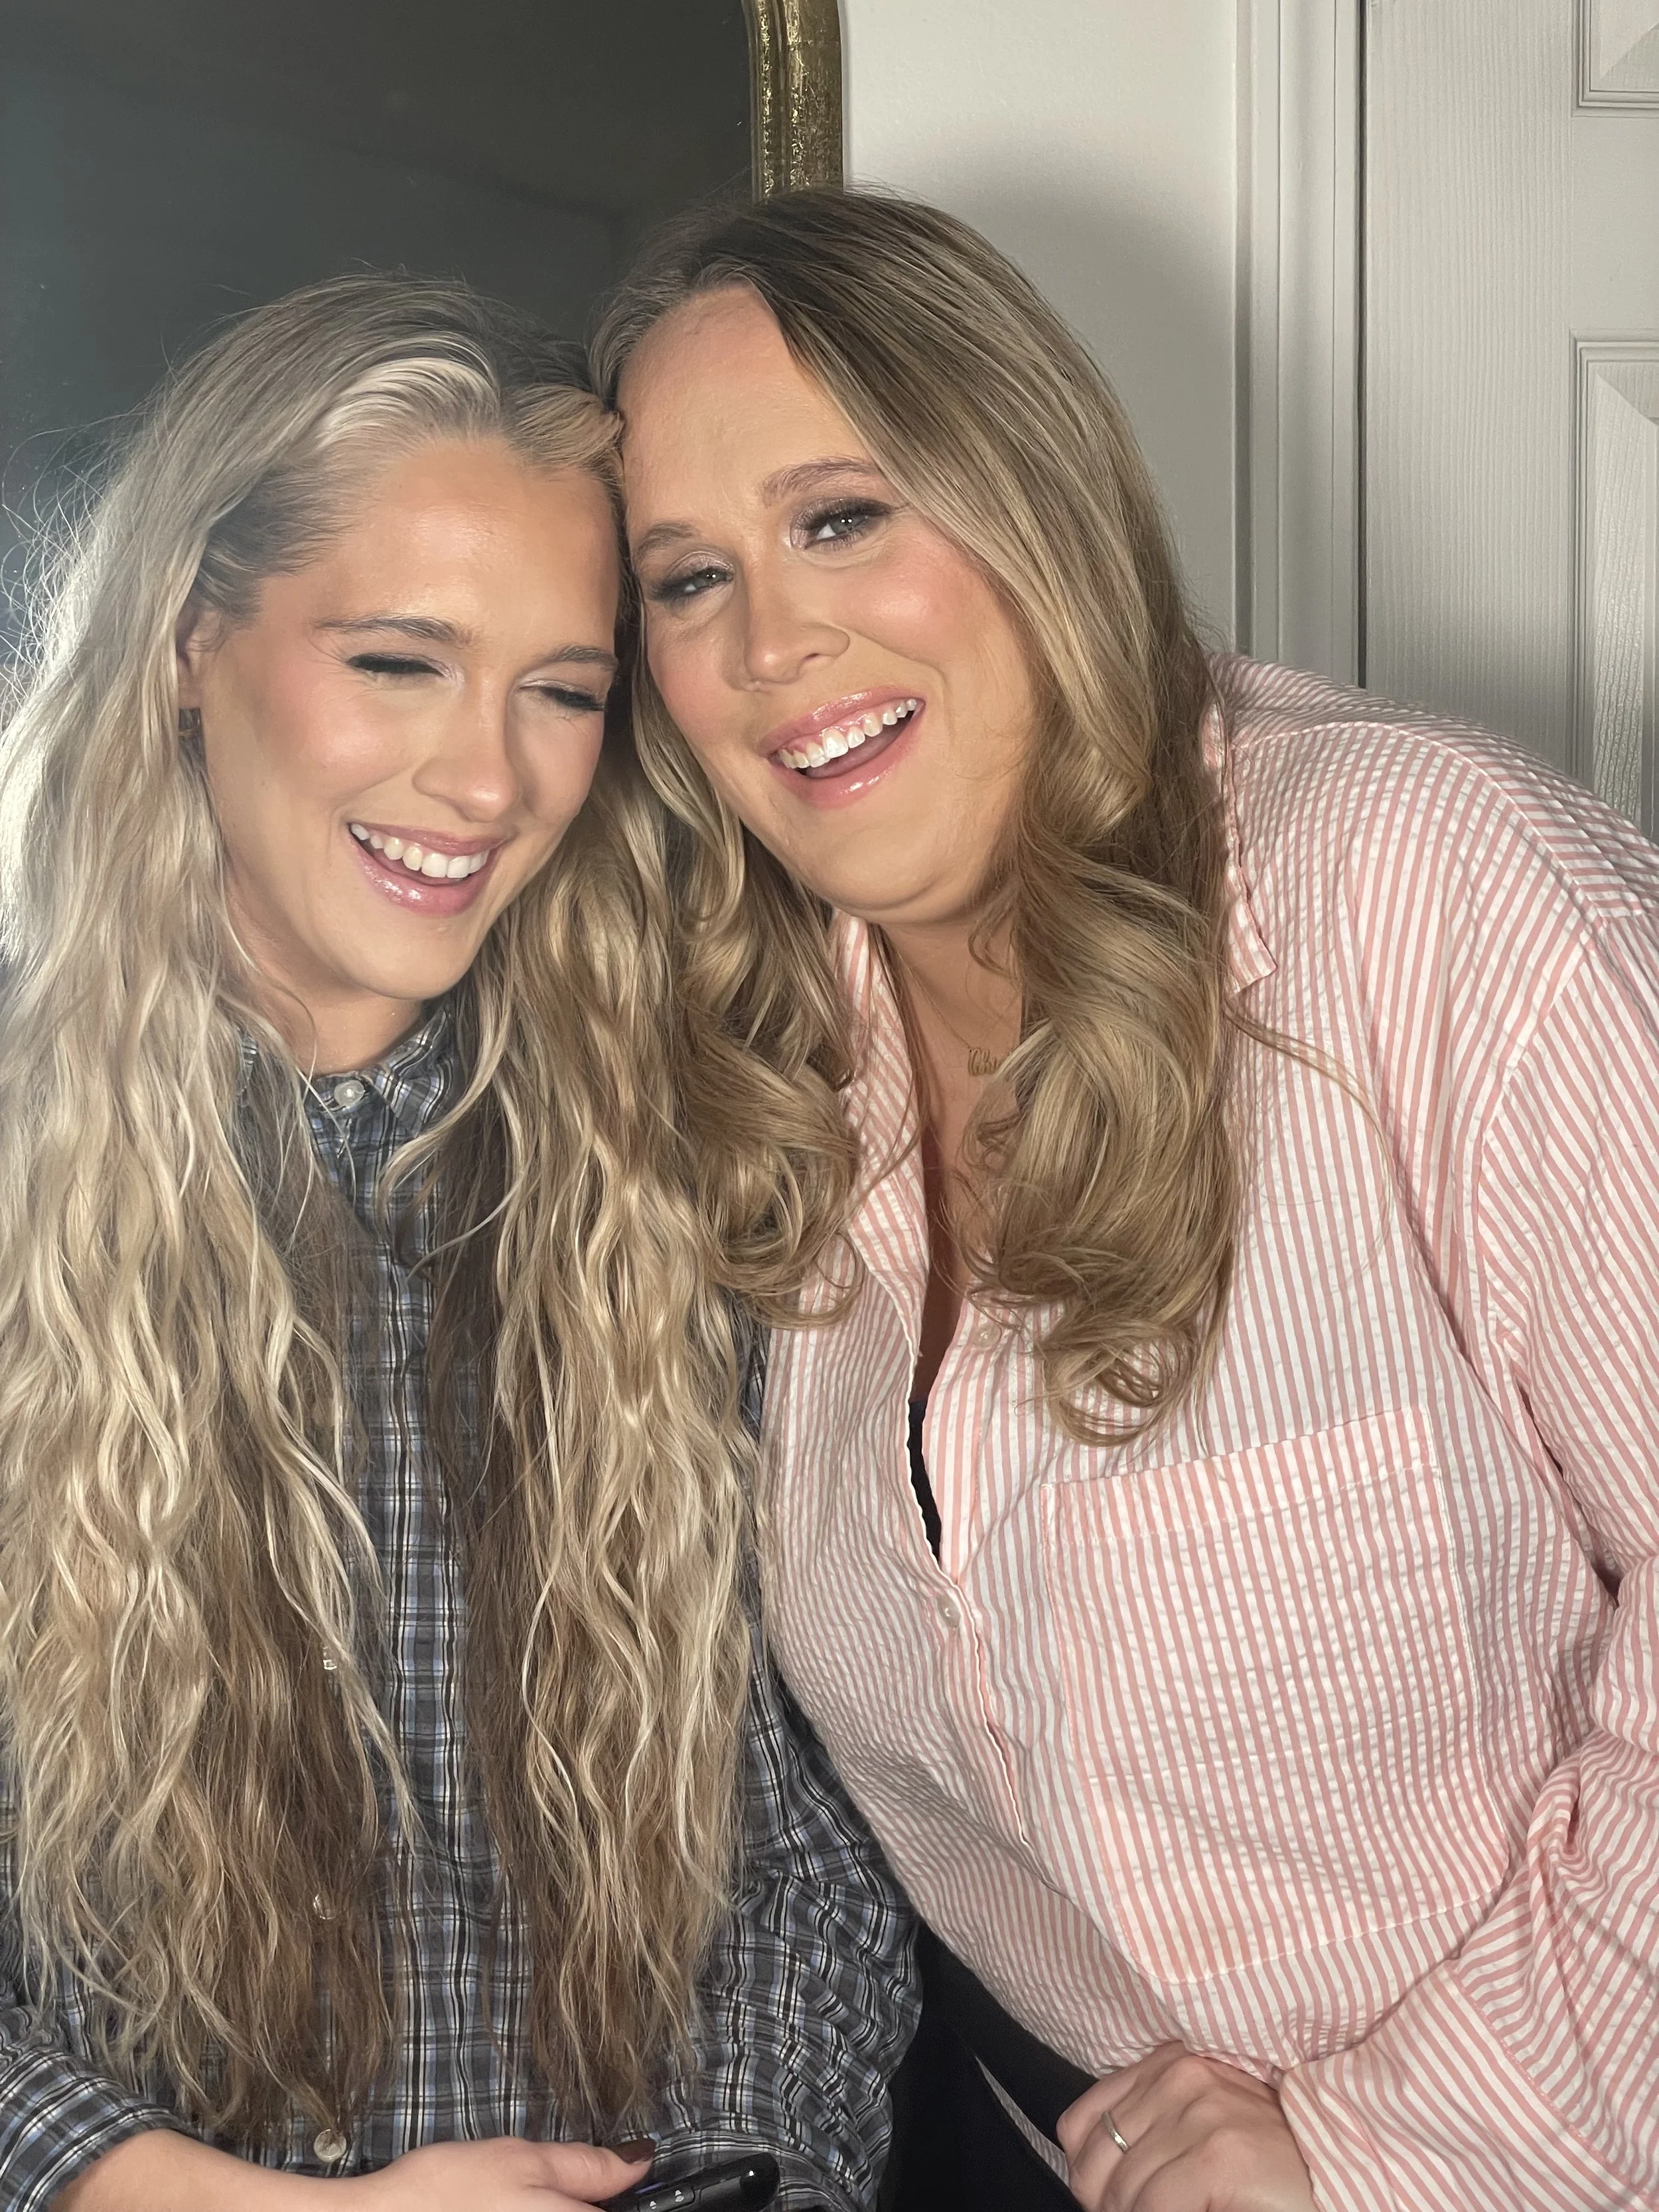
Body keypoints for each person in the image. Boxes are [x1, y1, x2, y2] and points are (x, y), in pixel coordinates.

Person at [592, 189, 1659, 2212]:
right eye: (686, 577)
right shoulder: (750, 1065)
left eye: (842, 517)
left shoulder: (1424, 885)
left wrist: (1378, 2145)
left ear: (1033, 493)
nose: (770, 643)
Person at [0, 274, 914, 2212]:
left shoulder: (696, 1162)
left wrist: (732, 2180)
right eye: (401, 661)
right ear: (189, 644)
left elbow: (809, 1849)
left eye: (562, 689)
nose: (490, 781)